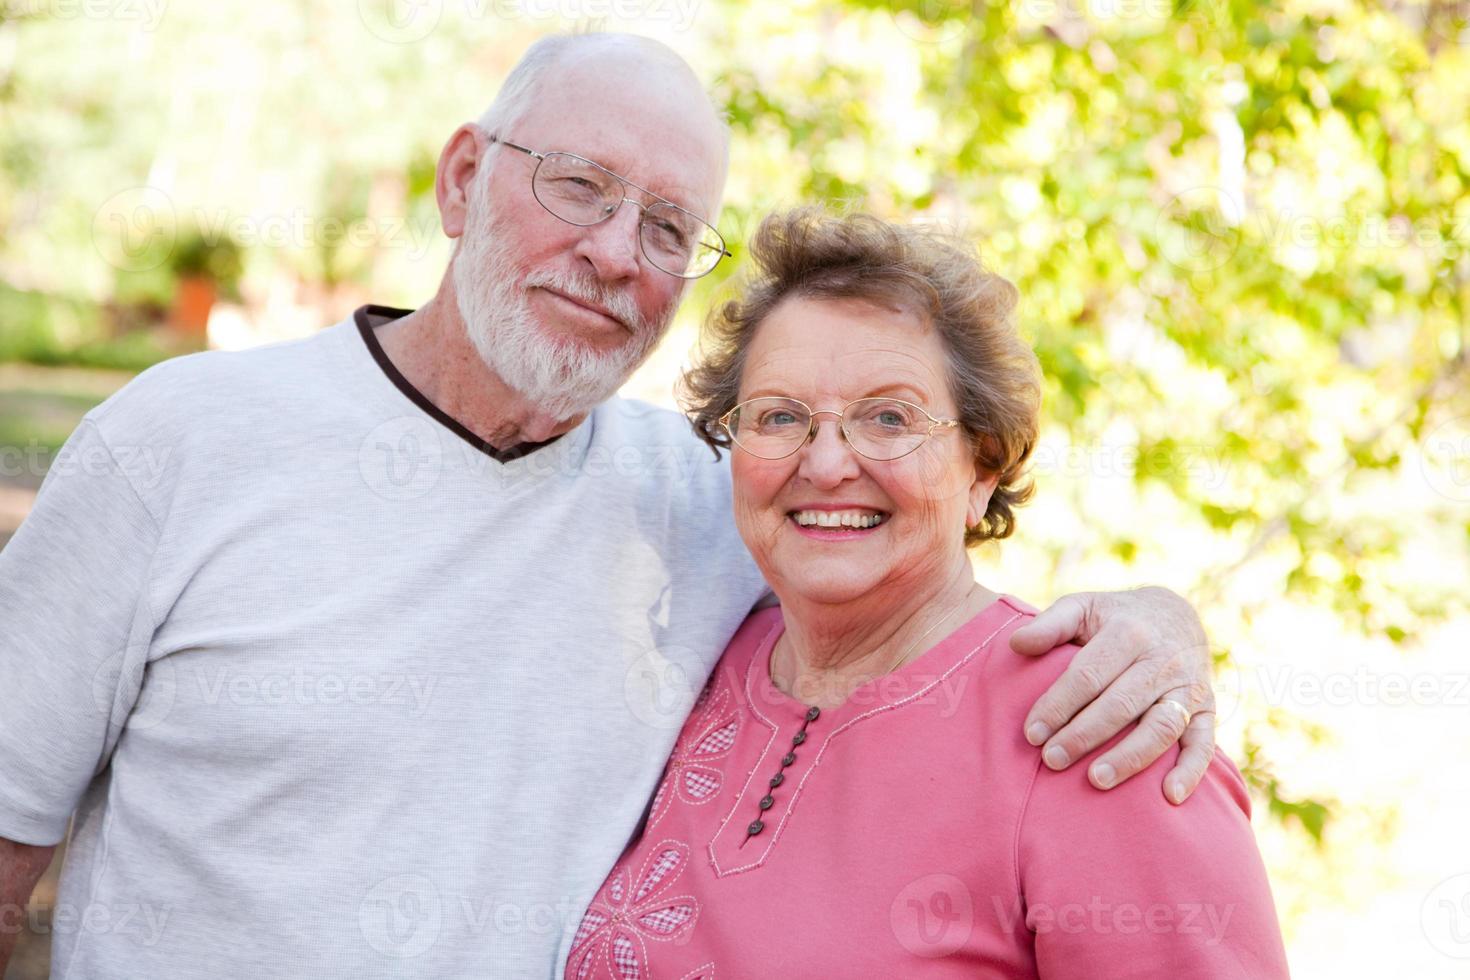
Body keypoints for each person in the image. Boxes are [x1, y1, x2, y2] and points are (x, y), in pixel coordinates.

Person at [0, 34, 1218, 979]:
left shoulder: (712, 500)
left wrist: (1159, 617)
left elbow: (922, 576)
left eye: (669, 226)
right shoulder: (177, 445)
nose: (615, 251)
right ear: (466, 177)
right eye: (580, 185)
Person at [566, 209, 1287, 978]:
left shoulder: (1102, 722)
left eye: (889, 418)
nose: (828, 462)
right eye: (780, 416)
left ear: (980, 468)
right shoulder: (704, 648)